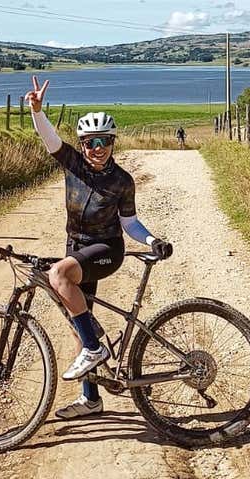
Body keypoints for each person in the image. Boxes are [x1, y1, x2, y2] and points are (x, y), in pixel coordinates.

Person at [25, 76, 173, 419]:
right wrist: (36, 110)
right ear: (83, 143)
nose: (98, 148)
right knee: (80, 321)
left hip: (106, 250)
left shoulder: (121, 181)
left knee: (59, 275)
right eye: (91, 142)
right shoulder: (74, 165)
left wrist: (153, 241)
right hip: (76, 247)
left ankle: (94, 350)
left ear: (112, 142)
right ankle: (91, 399)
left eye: (105, 140)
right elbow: (49, 140)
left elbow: (129, 223)